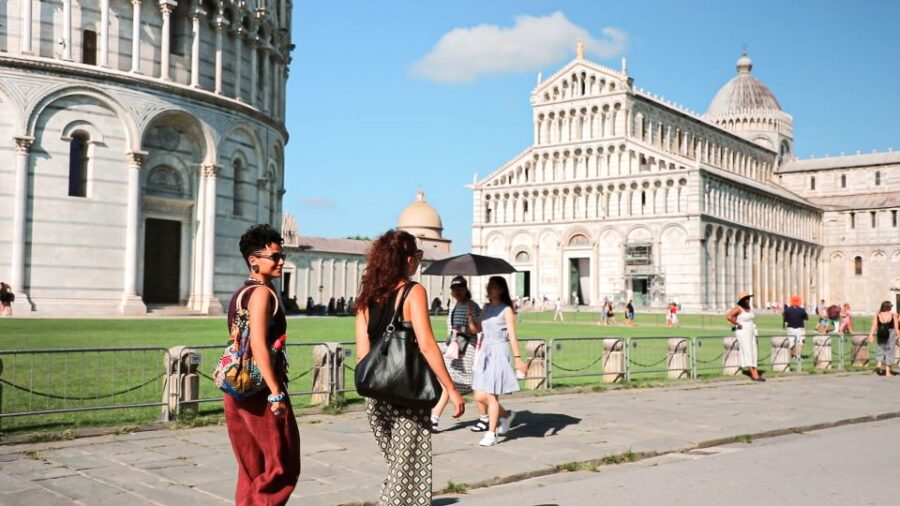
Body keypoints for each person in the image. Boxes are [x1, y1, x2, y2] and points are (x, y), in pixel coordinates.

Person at [354, 230, 464, 505]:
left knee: (399, 466)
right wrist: (451, 388)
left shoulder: (367, 296)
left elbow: (362, 354)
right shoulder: (413, 291)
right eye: (418, 255)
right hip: (406, 392)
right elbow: (427, 345)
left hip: (374, 394)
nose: (418, 261)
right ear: (407, 259)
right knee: (408, 468)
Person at [223, 224, 300, 506]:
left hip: (236, 387)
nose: (281, 262)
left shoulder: (240, 293)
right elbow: (257, 344)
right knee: (282, 465)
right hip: (261, 391)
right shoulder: (262, 294)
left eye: (282, 256)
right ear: (253, 260)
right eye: (275, 257)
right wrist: (276, 393)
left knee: (251, 468)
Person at [472, 276, 528, 447]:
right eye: (489, 286)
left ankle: (491, 433)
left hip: (499, 351)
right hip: (485, 352)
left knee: (491, 394)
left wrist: (518, 360)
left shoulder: (506, 310)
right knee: (478, 395)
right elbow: (476, 329)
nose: (490, 289)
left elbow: (512, 336)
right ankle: (506, 415)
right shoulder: (486, 307)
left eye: (494, 287)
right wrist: (470, 314)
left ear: (501, 290)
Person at [432, 276, 482, 432]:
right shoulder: (453, 306)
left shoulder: (472, 306)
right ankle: (434, 418)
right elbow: (450, 330)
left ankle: (489, 416)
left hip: (467, 352)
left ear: (466, 289)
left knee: (476, 387)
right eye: (454, 289)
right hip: (453, 351)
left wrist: (464, 326)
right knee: (447, 384)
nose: (457, 292)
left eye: (460, 289)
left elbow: (477, 329)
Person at [726, 291, 764, 382]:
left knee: (754, 351)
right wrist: (738, 324)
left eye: (748, 298)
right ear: (741, 300)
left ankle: (755, 372)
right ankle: (754, 374)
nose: (747, 300)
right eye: (745, 299)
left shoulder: (749, 308)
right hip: (743, 332)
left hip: (751, 331)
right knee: (748, 352)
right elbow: (729, 317)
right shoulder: (738, 308)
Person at [867, 301, 899, 377]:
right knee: (890, 351)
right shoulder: (893, 315)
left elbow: (874, 325)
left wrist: (870, 335)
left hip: (880, 332)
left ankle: (879, 364)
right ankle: (887, 371)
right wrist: (899, 336)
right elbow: (896, 328)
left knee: (880, 348)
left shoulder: (878, 314)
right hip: (890, 333)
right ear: (889, 307)